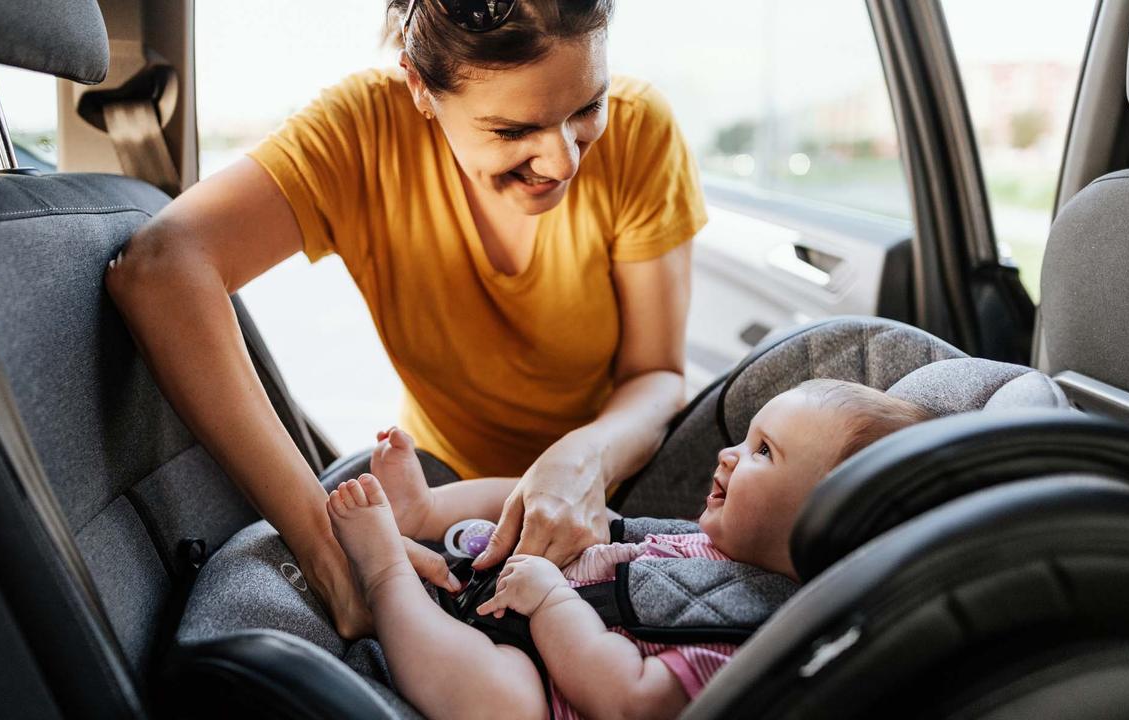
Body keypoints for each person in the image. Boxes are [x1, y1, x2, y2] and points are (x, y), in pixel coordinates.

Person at [105, 0, 706, 637]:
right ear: (420, 87)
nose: (562, 162)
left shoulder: (644, 132)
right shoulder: (363, 132)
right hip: (451, 484)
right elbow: (160, 269)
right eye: (510, 131)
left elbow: (658, 375)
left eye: (587, 109)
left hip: (616, 474)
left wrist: (582, 461)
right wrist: (326, 551)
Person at [326, 380, 935, 720]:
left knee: (504, 705)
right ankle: (426, 512)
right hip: (523, 591)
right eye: (746, 440)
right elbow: (617, 545)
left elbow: (630, 702)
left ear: (823, 522)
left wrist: (552, 605)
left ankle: (382, 578)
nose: (727, 455)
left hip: (545, 686)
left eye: (763, 453)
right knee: (584, 508)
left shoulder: (754, 641)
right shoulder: (711, 546)